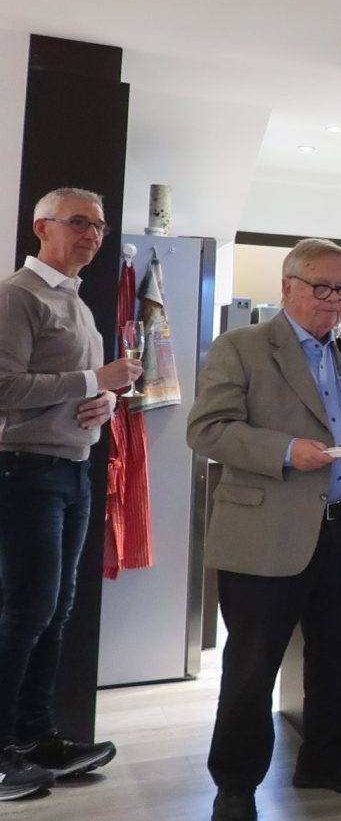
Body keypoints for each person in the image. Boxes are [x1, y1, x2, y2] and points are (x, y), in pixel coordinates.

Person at [188, 237, 341, 821]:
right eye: (322, 287)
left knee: (340, 655)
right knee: (252, 666)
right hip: (267, 531)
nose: (334, 300)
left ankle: (327, 760)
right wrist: (289, 450)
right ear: (287, 287)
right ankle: (236, 785)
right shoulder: (241, 347)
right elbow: (207, 430)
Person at [0, 188, 141, 802]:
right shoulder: (17, 295)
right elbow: (4, 388)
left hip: (72, 469)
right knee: (27, 611)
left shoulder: (75, 299)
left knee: (56, 611)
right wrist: (94, 379)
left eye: (100, 226)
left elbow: (79, 390)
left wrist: (105, 400)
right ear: (42, 227)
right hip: (25, 469)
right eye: (79, 222)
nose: (93, 234)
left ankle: (35, 739)